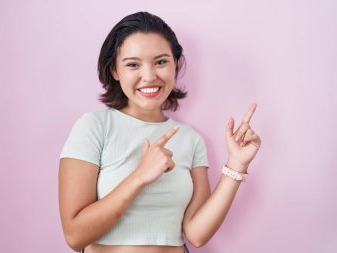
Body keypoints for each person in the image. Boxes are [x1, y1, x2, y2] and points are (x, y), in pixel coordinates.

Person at [58, 11, 261, 253]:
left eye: (161, 62)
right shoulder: (93, 127)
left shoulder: (190, 139)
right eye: (133, 64)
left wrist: (236, 165)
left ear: (175, 64)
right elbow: (74, 235)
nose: (149, 76)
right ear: (114, 70)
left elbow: (196, 234)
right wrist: (140, 176)